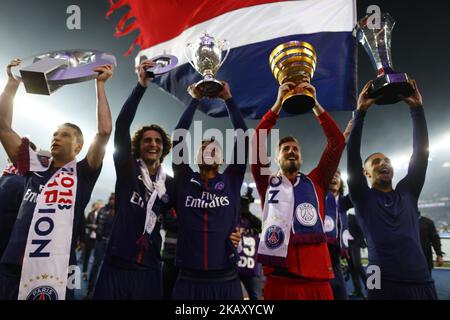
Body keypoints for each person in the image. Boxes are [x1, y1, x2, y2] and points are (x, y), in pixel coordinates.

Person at [0, 59, 113, 300]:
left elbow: (104, 132)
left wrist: (99, 85)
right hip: (14, 264)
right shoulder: (34, 166)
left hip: (54, 272)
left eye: (64, 135)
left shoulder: (83, 173)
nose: (56, 137)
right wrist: (11, 84)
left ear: (79, 145)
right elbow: (3, 128)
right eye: (54, 134)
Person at [251, 81, 346, 300]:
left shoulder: (317, 181)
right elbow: (256, 144)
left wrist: (315, 104)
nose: (291, 152)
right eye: (285, 149)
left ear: (301, 157)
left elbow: (337, 143)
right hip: (279, 281)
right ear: (277, 158)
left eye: (295, 149)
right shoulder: (267, 183)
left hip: (318, 282)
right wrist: (276, 106)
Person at [346, 80, 437, 300]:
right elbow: (352, 156)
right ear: (366, 173)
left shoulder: (407, 191)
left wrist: (417, 110)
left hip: (421, 279)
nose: (383, 163)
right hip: (380, 280)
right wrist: (360, 113)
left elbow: (420, 155)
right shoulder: (362, 196)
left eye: (386, 160)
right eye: (376, 162)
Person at [93, 60, 174, 300]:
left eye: (158, 141)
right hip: (116, 264)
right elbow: (122, 125)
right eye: (147, 140)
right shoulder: (127, 169)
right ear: (137, 146)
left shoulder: (169, 183)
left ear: (164, 148)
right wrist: (141, 86)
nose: (153, 144)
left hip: (149, 268)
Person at [171, 81, 247, 300]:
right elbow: (178, 136)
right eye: (203, 149)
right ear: (195, 158)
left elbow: (241, 134)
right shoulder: (185, 179)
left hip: (226, 278)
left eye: (214, 149)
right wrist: (194, 99)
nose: (209, 151)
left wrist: (228, 99)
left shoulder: (232, 179)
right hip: (188, 280)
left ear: (222, 159)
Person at [324, 170, 352, 300]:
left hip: (335, 256)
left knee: (341, 294)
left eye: (337, 175)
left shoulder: (344, 202)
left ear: (341, 183)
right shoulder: (318, 198)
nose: (334, 177)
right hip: (321, 251)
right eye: (331, 174)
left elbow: (357, 190)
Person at [86, 193, 115, 298]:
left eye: (113, 199)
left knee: (108, 268)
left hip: (111, 244)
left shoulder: (118, 211)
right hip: (100, 241)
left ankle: (104, 292)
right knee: (95, 266)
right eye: (110, 198)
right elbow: (98, 224)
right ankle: (89, 290)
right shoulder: (102, 210)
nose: (112, 200)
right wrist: (98, 234)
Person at [237, 189, 263, 300]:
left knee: (255, 296)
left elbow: (261, 226)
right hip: (235, 267)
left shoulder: (253, 222)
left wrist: (247, 212)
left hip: (251, 268)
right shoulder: (233, 220)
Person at [347, 211, 368, 299]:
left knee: (357, 265)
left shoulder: (352, 217)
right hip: (346, 246)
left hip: (354, 245)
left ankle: (370, 285)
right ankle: (358, 290)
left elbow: (362, 233)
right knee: (352, 268)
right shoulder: (338, 218)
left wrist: (356, 243)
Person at [81, 200, 103, 280]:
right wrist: (92, 226)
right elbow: (85, 224)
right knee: (86, 256)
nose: (98, 206)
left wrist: (97, 227)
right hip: (89, 238)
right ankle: (84, 273)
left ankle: (93, 276)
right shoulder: (90, 214)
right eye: (97, 204)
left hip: (98, 239)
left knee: (96, 259)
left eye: (100, 205)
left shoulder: (103, 215)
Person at [161, 208, 179, 300]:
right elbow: (168, 222)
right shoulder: (171, 207)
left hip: (186, 260)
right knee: (167, 290)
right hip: (170, 257)